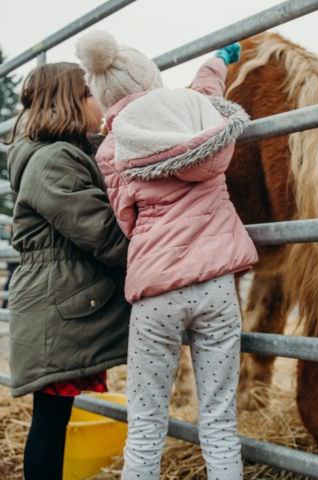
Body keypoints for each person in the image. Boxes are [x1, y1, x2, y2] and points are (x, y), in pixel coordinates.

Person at [76, 30, 257, 479]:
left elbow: (126, 221)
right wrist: (220, 59)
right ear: (150, 77)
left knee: (145, 426)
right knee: (218, 422)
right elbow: (205, 88)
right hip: (216, 288)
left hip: (157, 294)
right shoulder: (197, 113)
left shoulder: (114, 147)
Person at [5, 62, 130, 480]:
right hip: (56, 309)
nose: (100, 103)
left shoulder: (51, 153)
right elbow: (103, 235)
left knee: (52, 417)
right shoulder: (54, 161)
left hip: (57, 301)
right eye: (92, 94)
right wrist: (158, 257)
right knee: (50, 420)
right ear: (71, 102)